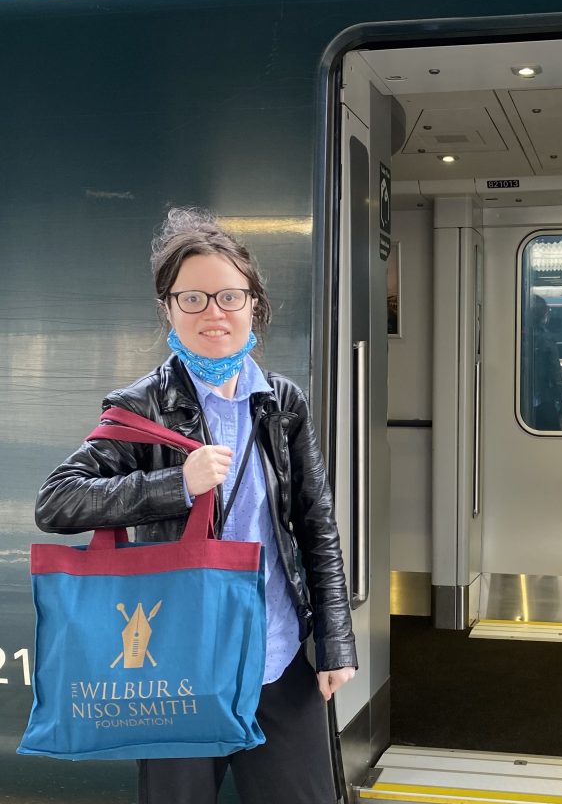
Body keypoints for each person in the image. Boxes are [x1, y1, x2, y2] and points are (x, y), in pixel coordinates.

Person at [35, 207, 357, 804]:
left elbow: (316, 525)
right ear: (168, 310)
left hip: (278, 661)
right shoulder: (141, 407)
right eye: (194, 299)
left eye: (230, 296)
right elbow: (57, 501)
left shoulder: (281, 400)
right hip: (175, 666)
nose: (215, 312)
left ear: (253, 304)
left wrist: (335, 641)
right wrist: (173, 485)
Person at [530, 294, 562, 431]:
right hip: (544, 400)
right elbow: (555, 374)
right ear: (542, 315)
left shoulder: (513, 336)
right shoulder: (546, 339)